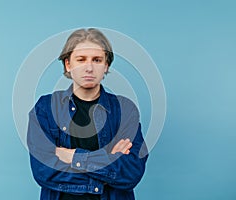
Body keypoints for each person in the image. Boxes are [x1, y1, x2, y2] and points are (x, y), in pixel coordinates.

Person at [27, 28, 149, 200]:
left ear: (106, 65)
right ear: (68, 64)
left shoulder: (125, 110)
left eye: (97, 60)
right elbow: (44, 171)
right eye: (81, 59)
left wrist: (73, 157)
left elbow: (130, 173)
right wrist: (107, 160)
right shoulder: (46, 108)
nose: (89, 67)